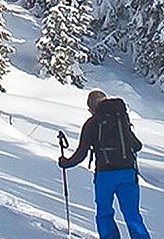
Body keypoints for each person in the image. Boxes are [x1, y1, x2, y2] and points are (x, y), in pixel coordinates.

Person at [57, 90, 151, 239]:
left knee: (104, 213)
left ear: (91, 108)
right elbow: (137, 145)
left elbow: (81, 153)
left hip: (105, 174)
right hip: (128, 173)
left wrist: (65, 163)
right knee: (132, 213)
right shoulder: (121, 119)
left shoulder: (92, 123)